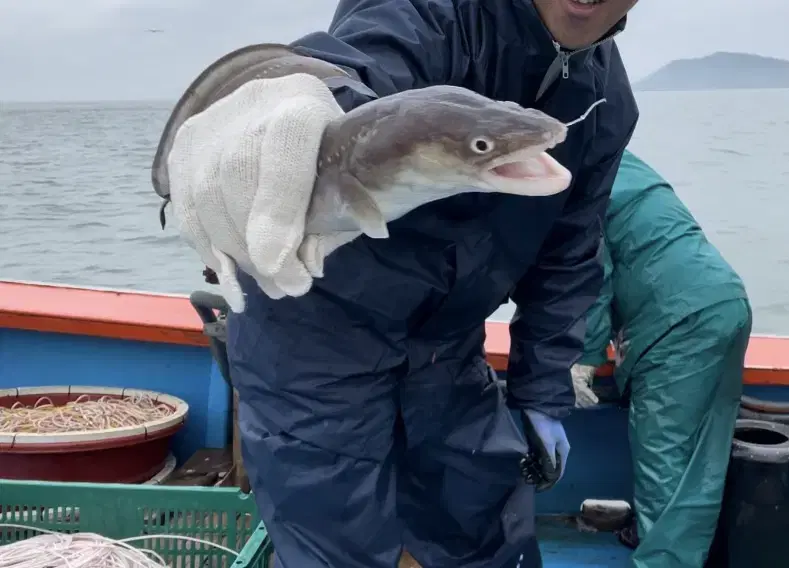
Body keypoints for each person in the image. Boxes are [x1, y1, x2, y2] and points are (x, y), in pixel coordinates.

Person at [173, 1, 640, 566]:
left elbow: (569, 254)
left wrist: (543, 391)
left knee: (489, 542)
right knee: (332, 549)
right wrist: (288, 102)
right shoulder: (430, 11)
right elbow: (355, 68)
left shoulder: (606, 98)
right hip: (313, 342)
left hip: (447, 348)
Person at [573, 150, 752, 568]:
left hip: (676, 321)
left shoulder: (573, 175)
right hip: (724, 300)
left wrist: (582, 358)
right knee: (703, 463)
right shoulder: (616, 156)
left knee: (664, 466)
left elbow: (588, 274)